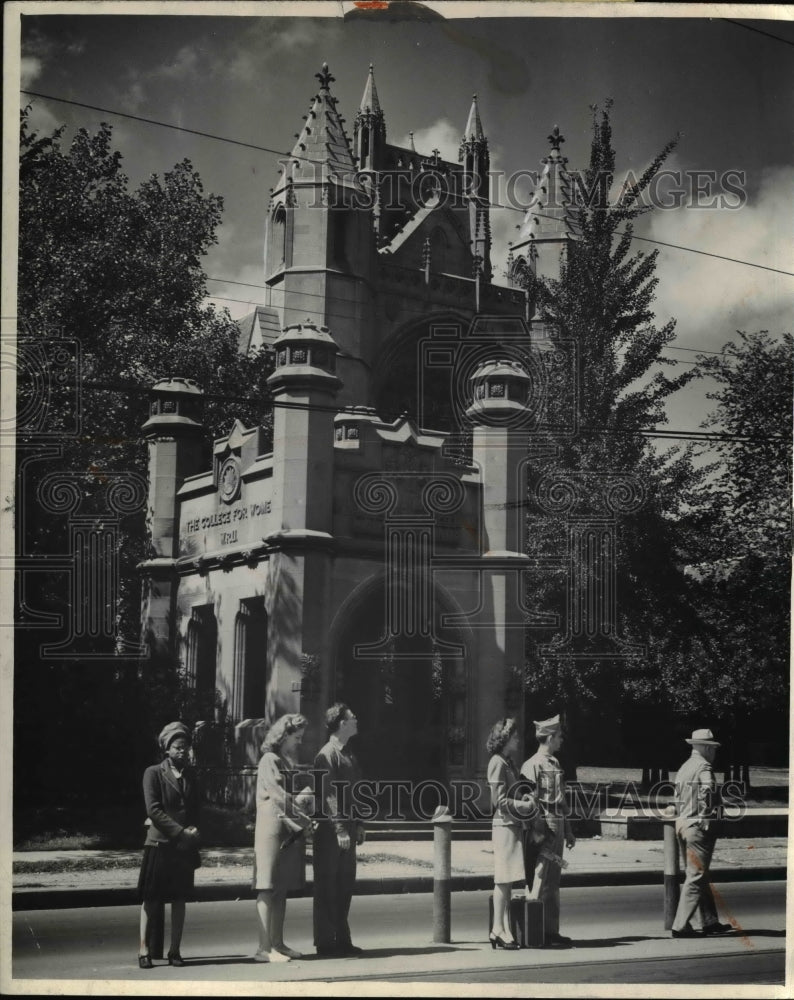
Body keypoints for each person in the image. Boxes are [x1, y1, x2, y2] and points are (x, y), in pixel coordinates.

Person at [137, 721, 201, 969]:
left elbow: (196, 809)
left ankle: (175, 950)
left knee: (179, 898)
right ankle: (143, 949)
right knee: (151, 899)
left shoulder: (191, 775)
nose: (183, 751)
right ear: (167, 748)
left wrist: (195, 829)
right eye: (178, 747)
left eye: (186, 746)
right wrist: (180, 832)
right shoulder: (153, 773)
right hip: (159, 844)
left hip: (183, 848)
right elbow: (154, 810)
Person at [252, 713, 314, 962]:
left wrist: (302, 809)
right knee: (267, 887)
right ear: (284, 735)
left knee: (280, 888)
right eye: (296, 737)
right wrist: (305, 820)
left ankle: (277, 943)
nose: (299, 742)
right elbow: (278, 796)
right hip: (270, 830)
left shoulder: (283, 761)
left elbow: (286, 799)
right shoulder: (269, 759)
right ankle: (263, 949)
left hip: (285, 829)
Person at [312, 702, 365, 957]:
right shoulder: (327, 754)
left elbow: (355, 793)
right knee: (327, 884)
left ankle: (342, 939)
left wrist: (360, 824)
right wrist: (340, 829)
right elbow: (329, 794)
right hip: (332, 832)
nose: (356, 720)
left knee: (344, 885)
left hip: (348, 829)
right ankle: (325, 942)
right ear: (342, 724)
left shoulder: (348, 753)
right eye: (353, 717)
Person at [670, 728, 733, 938]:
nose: (715, 753)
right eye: (713, 749)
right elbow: (708, 789)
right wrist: (706, 814)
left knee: (699, 874)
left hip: (683, 824)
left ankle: (709, 921)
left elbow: (677, 797)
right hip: (698, 828)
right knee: (696, 876)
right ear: (706, 748)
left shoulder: (684, 767)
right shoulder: (704, 767)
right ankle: (680, 926)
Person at [520, 714, 575, 947]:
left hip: (558, 822)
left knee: (554, 878)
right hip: (544, 825)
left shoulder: (555, 763)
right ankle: (534, 929)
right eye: (559, 736)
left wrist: (569, 830)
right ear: (550, 737)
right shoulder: (532, 764)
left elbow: (561, 800)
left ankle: (551, 930)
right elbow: (527, 799)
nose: (561, 740)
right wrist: (537, 829)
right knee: (540, 876)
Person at [486, 717, 535, 950]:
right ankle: (498, 928)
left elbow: (511, 794)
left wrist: (523, 798)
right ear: (504, 738)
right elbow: (499, 801)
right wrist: (524, 806)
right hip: (504, 826)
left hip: (511, 825)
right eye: (514, 736)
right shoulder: (497, 762)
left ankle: (502, 929)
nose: (517, 740)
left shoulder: (507, 762)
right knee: (503, 880)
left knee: (507, 882)